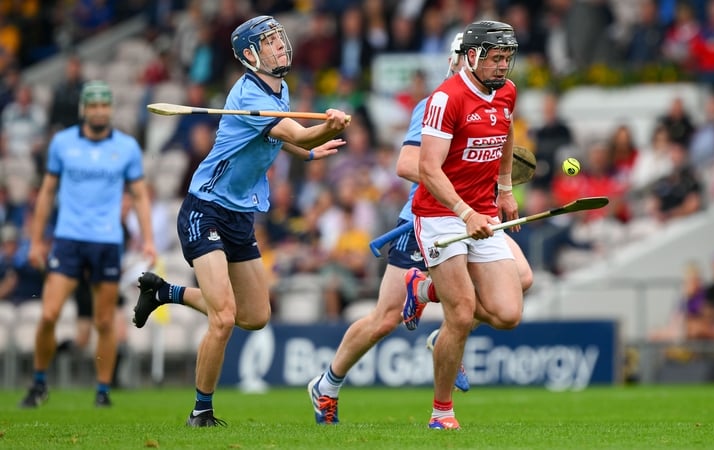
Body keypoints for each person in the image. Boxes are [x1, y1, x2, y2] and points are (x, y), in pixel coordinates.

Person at [131, 15, 349, 427]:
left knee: (255, 315)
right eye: (269, 42)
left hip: (239, 215)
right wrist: (326, 128)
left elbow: (278, 140)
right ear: (251, 55)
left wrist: (310, 154)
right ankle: (201, 411)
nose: (281, 45)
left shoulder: (278, 90)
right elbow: (297, 134)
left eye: (279, 38)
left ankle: (164, 293)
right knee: (224, 316)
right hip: (204, 208)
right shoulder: (251, 94)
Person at [306, 32, 533, 425]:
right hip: (424, 218)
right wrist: (462, 185)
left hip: (472, 212)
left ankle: (441, 323)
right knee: (386, 317)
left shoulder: (498, 95)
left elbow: (503, 132)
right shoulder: (437, 102)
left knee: (521, 279)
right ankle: (328, 383)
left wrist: (499, 181)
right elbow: (409, 165)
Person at [406, 20, 522, 430]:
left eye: (507, 57)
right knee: (461, 313)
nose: (503, 65)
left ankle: (426, 287)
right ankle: (441, 412)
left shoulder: (507, 92)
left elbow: (506, 136)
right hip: (440, 215)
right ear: (471, 56)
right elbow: (428, 168)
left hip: (482, 211)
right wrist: (464, 211)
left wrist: (504, 190)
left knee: (509, 313)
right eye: (495, 57)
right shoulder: (446, 97)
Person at [19, 80, 157, 409]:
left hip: (106, 241)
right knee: (49, 314)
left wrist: (149, 240)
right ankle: (39, 383)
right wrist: (36, 240)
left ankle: (103, 390)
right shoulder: (62, 144)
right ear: (84, 109)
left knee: (105, 321)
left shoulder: (126, 147)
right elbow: (47, 193)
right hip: (68, 239)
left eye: (103, 105)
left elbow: (138, 195)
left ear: (110, 109)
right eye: (92, 105)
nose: (98, 111)